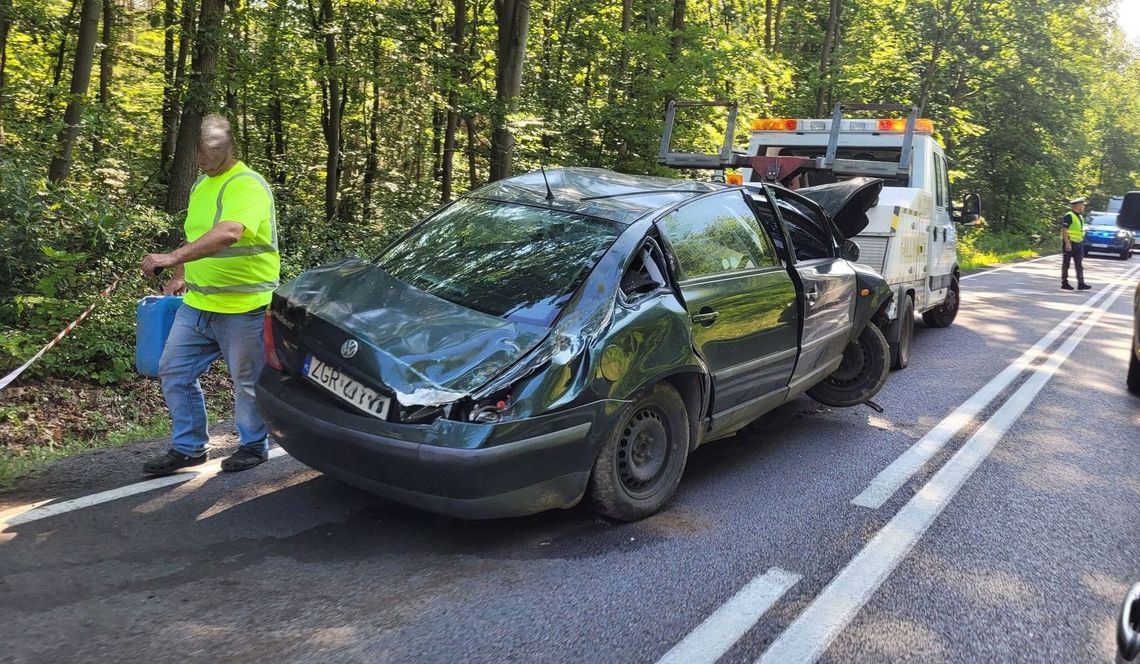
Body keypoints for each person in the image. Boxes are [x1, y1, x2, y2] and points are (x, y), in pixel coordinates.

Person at [139, 114, 279, 475]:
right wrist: (181, 274)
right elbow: (198, 234)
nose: (198, 156)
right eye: (195, 149)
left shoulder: (247, 184)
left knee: (246, 382)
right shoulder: (202, 184)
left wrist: (170, 258)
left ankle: (253, 445)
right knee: (174, 372)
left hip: (245, 307)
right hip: (198, 305)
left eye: (206, 149)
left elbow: (229, 232)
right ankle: (189, 448)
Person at [1060, 196, 1090, 291]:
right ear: (1078, 205)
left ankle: (1081, 283)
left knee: (1079, 264)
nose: (1084, 206)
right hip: (1070, 243)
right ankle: (1064, 283)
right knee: (1066, 264)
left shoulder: (1080, 216)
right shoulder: (1069, 215)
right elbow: (1064, 230)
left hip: (1078, 243)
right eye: (1083, 205)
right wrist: (1067, 243)